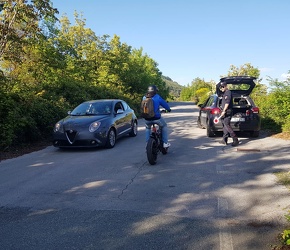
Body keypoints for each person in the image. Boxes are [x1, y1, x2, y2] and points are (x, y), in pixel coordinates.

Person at [219, 82, 239, 146]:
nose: (221, 89)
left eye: (222, 87)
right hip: (225, 112)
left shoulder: (228, 93)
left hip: (227, 112)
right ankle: (224, 140)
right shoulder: (225, 93)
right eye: (220, 87)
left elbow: (227, 103)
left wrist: (224, 111)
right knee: (225, 125)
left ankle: (235, 139)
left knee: (227, 125)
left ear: (225, 86)